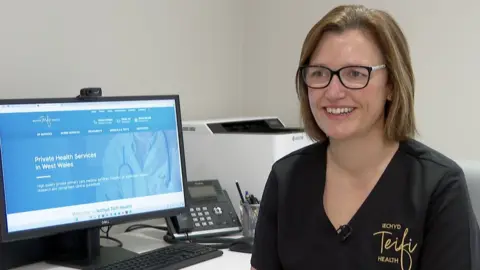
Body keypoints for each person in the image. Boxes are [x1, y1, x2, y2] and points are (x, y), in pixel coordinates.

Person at [250, 4, 480, 270]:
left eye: (355, 74)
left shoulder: (439, 187)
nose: (333, 91)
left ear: (392, 85)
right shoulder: (286, 178)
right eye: (319, 73)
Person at [96, 130, 182, 201]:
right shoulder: (115, 146)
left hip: (162, 215)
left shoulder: (172, 142)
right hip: (126, 218)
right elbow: (108, 195)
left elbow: (177, 195)